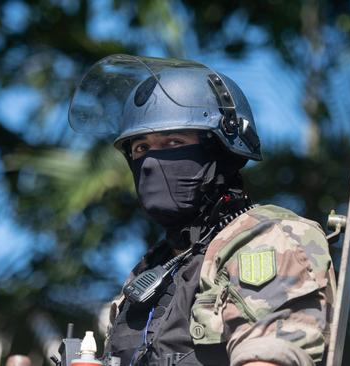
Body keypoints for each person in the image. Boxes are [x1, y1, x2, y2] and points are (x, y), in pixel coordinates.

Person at [69, 55, 335, 366]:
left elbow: (269, 359)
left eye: (173, 142)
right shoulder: (154, 267)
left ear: (220, 151)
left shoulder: (269, 237)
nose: (152, 163)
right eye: (141, 148)